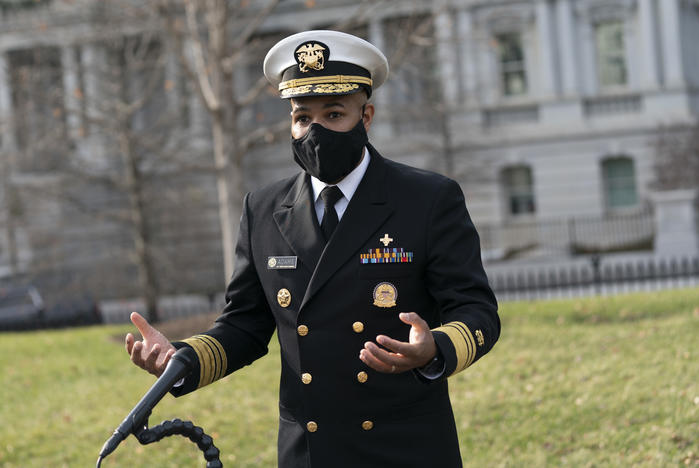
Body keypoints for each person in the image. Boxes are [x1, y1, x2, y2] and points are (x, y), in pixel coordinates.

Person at [125, 30, 499, 468]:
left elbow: (477, 312)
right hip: (310, 452)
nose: (315, 131)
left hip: (405, 446)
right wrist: (181, 359)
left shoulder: (427, 199)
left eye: (335, 113)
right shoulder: (263, 208)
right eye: (302, 117)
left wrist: (434, 348)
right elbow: (246, 325)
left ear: (367, 116)